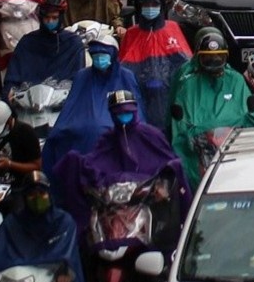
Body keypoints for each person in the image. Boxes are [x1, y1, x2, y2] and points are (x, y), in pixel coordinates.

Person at [51, 89, 189, 241]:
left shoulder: (151, 134)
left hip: (149, 206)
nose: (124, 117)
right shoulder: (108, 139)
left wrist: (160, 184)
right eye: (118, 113)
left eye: (127, 112)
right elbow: (95, 163)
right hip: (114, 206)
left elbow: (169, 163)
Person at [40, 29, 138, 177]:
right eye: (96, 56)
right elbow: (71, 108)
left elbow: (136, 111)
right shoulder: (82, 76)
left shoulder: (125, 77)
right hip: (83, 138)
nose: (99, 59)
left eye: (103, 55)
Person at [168, 29, 254, 183]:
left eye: (219, 56)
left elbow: (250, 118)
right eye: (208, 58)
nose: (214, 61)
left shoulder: (236, 80)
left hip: (235, 147)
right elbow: (181, 128)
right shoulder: (188, 83)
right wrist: (206, 136)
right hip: (201, 150)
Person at [3, 0, 87, 126]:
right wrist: (9, 98)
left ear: (61, 18)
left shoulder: (73, 43)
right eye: (47, 18)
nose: (50, 22)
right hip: (28, 106)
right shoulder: (28, 42)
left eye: (54, 18)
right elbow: (13, 76)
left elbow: (78, 78)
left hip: (60, 106)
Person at [118, 0, 191, 132]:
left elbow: (185, 63)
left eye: (154, 4)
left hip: (169, 92)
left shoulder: (172, 28)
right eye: (146, 5)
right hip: (139, 93)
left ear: (161, 7)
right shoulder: (132, 34)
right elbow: (123, 68)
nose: (150, 8)